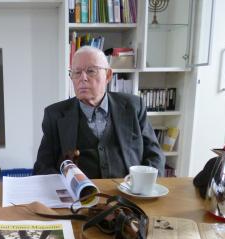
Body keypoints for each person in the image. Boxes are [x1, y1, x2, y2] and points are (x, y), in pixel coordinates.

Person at [33, 46, 164, 178]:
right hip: (79, 195)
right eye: (76, 72)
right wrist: (66, 188)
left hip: (129, 193)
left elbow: (155, 156)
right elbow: (43, 167)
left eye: (91, 71)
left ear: (108, 75)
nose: (82, 78)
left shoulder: (133, 107)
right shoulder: (55, 115)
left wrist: (143, 186)